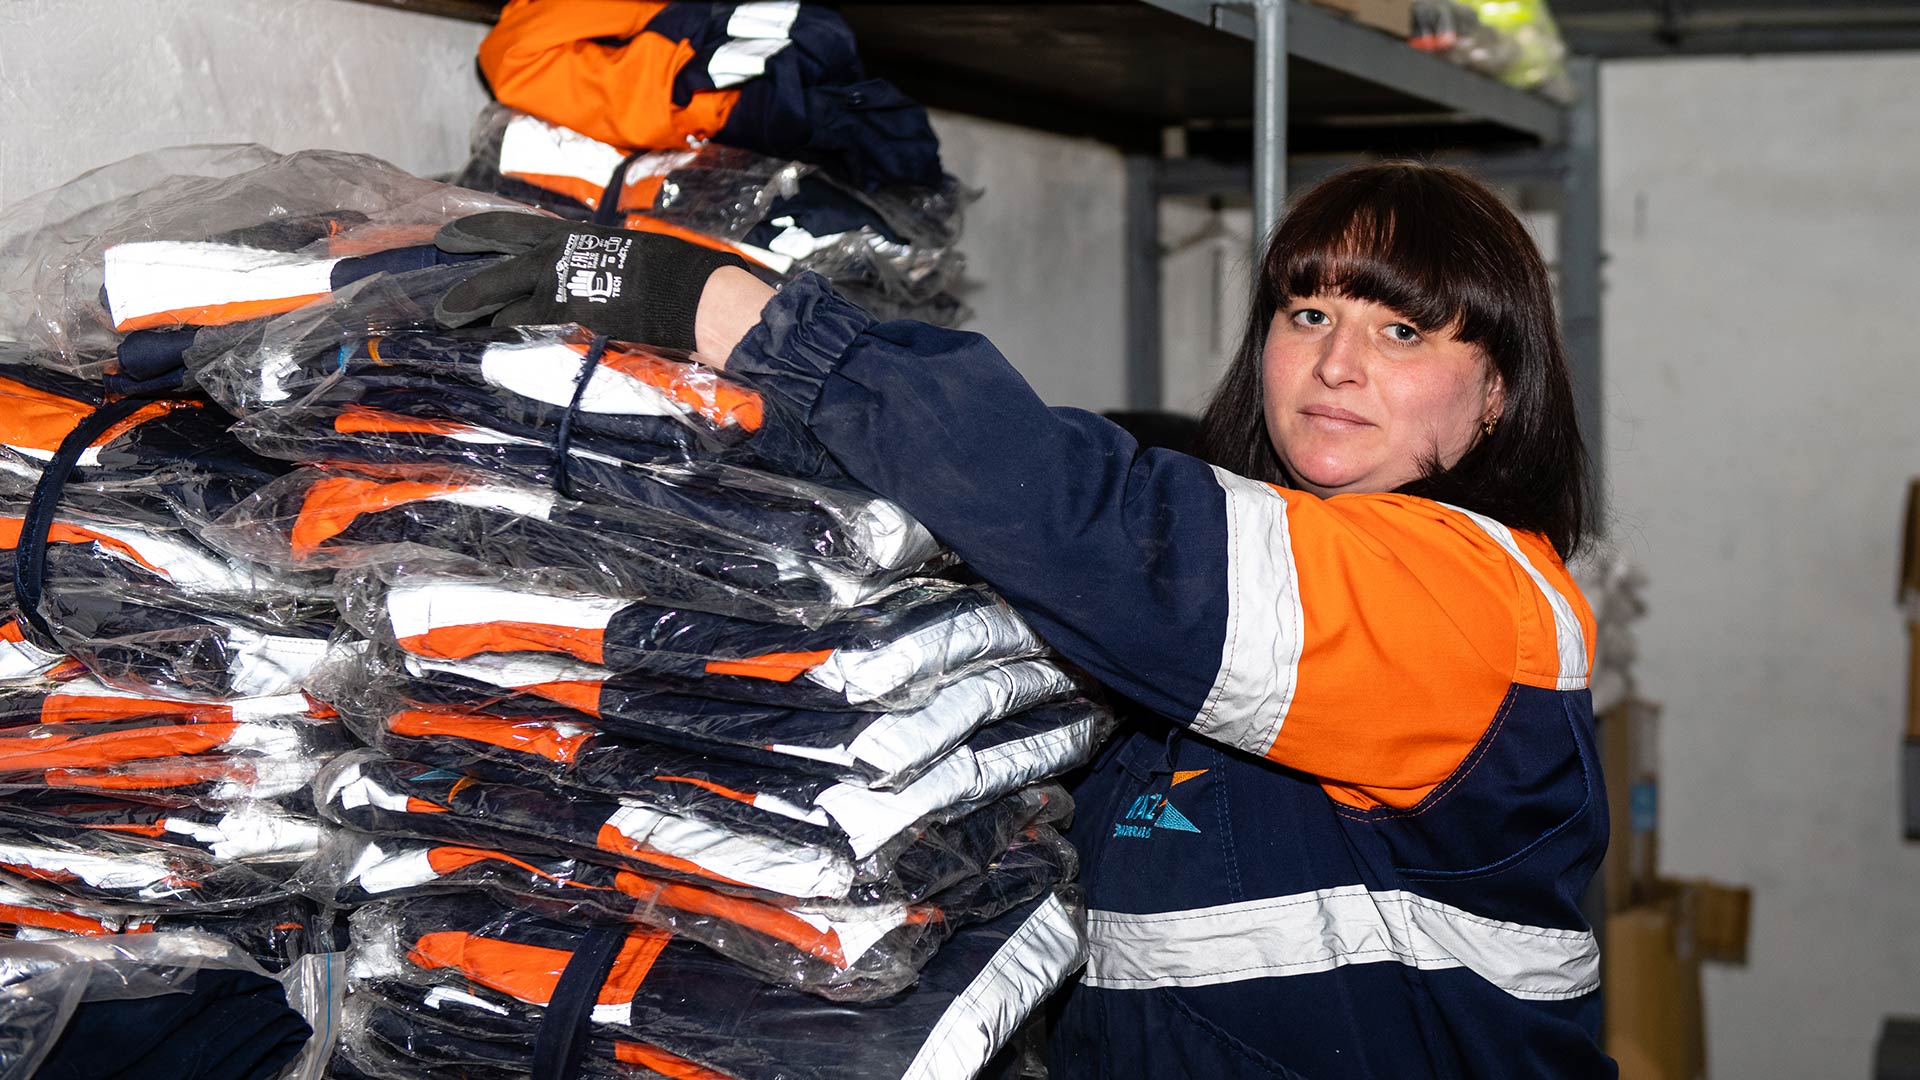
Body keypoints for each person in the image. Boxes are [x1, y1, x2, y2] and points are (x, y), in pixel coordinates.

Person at [437, 161, 1611, 1078]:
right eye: (1307, 313)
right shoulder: (1266, 576)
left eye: (1402, 331)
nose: (1337, 364)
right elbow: (991, 504)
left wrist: (752, 318)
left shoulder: (1467, 601)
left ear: (1498, 392)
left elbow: (1092, 521)